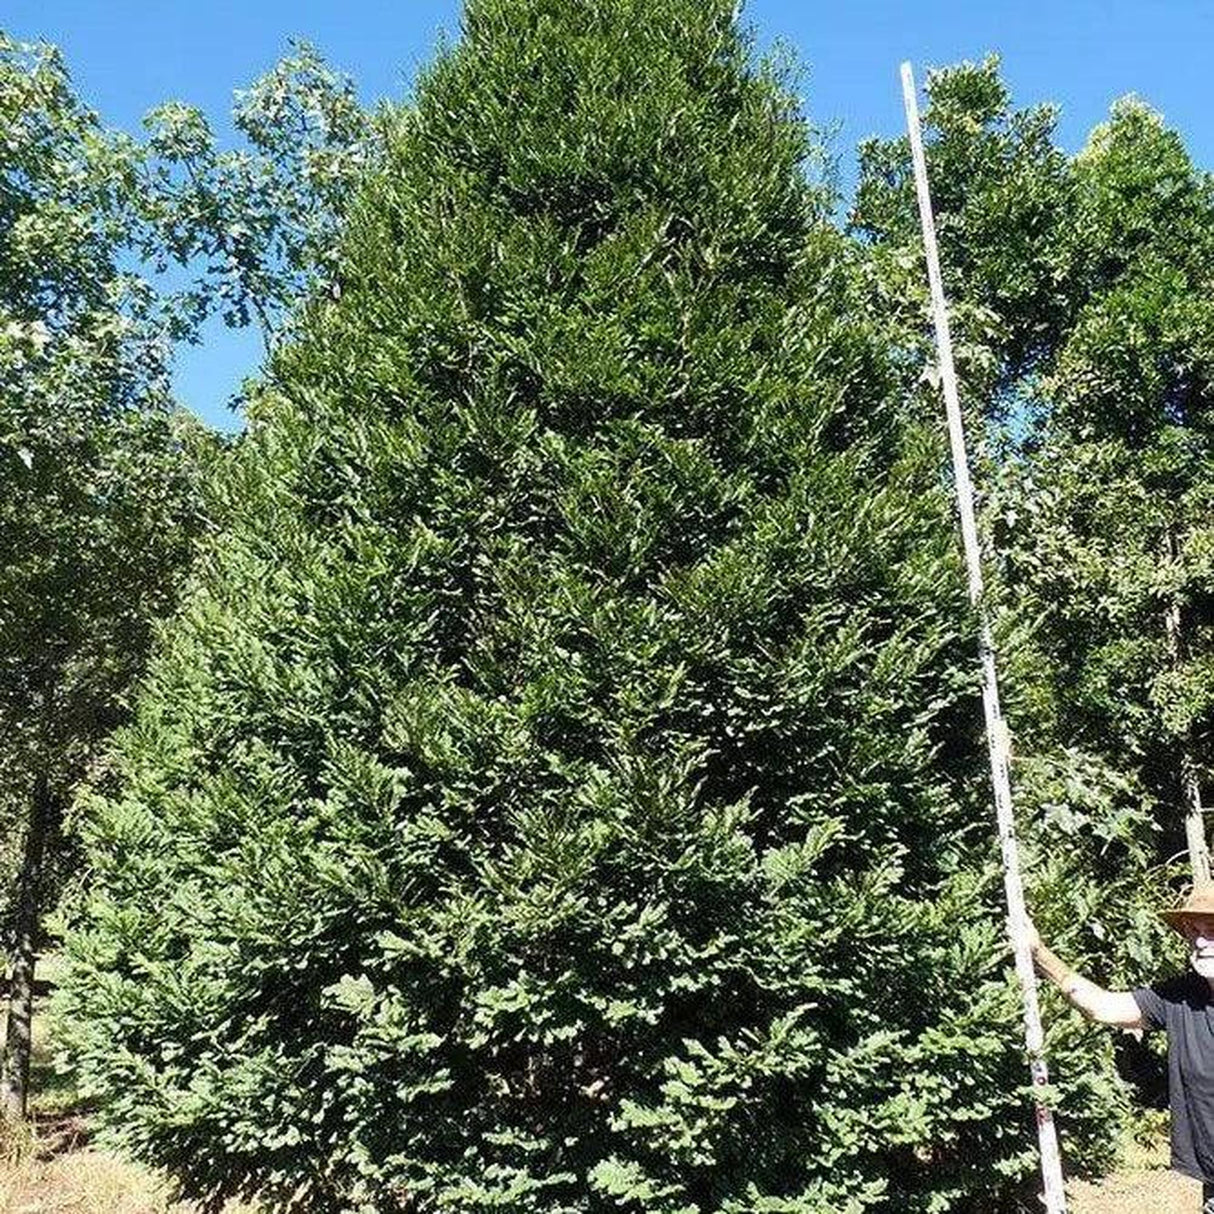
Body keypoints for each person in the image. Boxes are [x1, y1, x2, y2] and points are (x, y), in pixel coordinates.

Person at [1030, 887, 1214, 1211]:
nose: (1200, 942)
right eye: (1194, 931)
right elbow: (1102, 1006)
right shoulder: (1179, 996)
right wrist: (1039, 953)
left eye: (1212, 932)